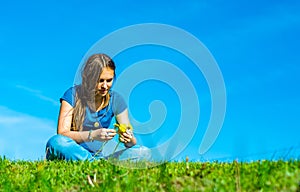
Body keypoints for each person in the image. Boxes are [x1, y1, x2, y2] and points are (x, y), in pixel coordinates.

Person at [45, 53, 151, 161]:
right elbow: (62, 134)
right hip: (72, 152)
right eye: (100, 81)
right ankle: (92, 164)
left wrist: (129, 138)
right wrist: (93, 135)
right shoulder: (72, 94)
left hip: (97, 157)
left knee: (142, 152)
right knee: (56, 142)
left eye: (109, 80)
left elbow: (131, 143)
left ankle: (92, 163)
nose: (105, 86)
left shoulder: (116, 100)